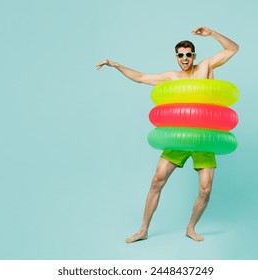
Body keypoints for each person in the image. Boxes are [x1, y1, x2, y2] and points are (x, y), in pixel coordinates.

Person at [96, 26, 239, 243]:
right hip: (179, 137)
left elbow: (233, 49)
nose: (185, 58)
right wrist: (115, 65)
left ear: (194, 56)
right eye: (181, 55)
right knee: (157, 181)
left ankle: (190, 228)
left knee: (205, 189)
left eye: (188, 54)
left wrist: (212, 34)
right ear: (176, 57)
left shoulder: (207, 66)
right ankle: (143, 229)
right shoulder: (172, 77)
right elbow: (141, 77)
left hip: (204, 137)